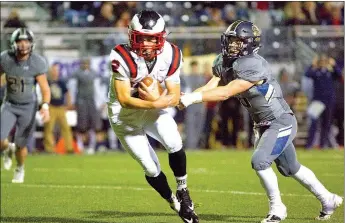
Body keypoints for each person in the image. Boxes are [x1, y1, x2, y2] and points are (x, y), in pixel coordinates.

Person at [179, 20, 342, 223]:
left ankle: (277, 208)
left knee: (260, 161)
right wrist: (184, 99)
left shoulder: (253, 64)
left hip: (280, 120)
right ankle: (328, 199)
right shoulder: (224, 61)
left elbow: (226, 92)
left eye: (238, 42)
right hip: (262, 124)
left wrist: (191, 98)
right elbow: (211, 85)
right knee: (290, 168)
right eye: (230, 41)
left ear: (249, 43)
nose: (232, 46)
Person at [107, 10, 199, 223]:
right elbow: (124, 99)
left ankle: (183, 190)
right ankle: (173, 201)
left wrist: (159, 102)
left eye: (152, 38)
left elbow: (175, 94)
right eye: (142, 38)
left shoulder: (172, 54)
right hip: (125, 116)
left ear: (161, 38)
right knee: (150, 167)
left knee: (174, 142)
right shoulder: (121, 55)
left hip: (152, 109)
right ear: (132, 36)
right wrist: (156, 101)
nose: (147, 44)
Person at [0, 28, 50, 183]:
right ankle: (8, 149)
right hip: (9, 104)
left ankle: (20, 168)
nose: (23, 44)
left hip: (28, 107)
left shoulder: (36, 62)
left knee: (21, 144)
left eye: (26, 41)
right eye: (19, 41)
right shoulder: (5, 58)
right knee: (0, 139)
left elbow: (44, 88)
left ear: (31, 43)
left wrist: (45, 106)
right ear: (13, 43)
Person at [305, 55, 343, 149]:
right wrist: (312, 64)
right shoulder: (315, 72)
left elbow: (339, 76)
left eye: (324, 61)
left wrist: (334, 65)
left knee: (326, 124)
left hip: (329, 101)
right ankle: (309, 144)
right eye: (321, 61)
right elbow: (307, 74)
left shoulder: (330, 72)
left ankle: (323, 144)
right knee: (313, 123)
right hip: (317, 101)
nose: (323, 62)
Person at [43, 63, 73, 154]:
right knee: (49, 128)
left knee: (66, 128)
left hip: (60, 107)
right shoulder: (47, 82)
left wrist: (68, 104)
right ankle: (49, 149)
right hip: (51, 107)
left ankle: (69, 148)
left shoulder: (61, 82)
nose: (55, 72)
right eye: (53, 70)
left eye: (56, 70)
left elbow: (67, 93)